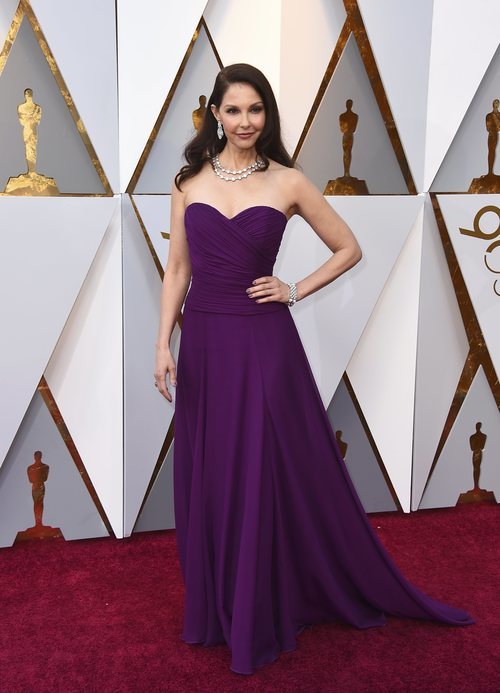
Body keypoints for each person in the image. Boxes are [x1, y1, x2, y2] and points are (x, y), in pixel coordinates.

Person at [154, 63, 473, 676]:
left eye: (256, 110)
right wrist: (162, 343)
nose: (245, 121)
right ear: (214, 115)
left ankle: (263, 602)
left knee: (262, 467)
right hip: (208, 344)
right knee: (216, 471)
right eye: (233, 110)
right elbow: (177, 270)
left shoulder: (289, 181)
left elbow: (349, 247)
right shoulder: (187, 182)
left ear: (267, 115)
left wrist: (294, 289)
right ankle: (221, 605)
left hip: (265, 343)